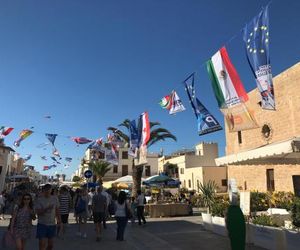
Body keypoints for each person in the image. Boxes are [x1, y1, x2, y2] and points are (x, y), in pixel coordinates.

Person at [35, 184, 61, 250]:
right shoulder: (39, 200)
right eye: (46, 190)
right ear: (43, 190)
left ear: (51, 190)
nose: (48, 191)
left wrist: (59, 221)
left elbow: (57, 210)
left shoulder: (55, 198)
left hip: (52, 224)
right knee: (42, 243)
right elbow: (38, 212)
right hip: (42, 224)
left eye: (49, 190)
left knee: (50, 245)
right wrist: (47, 208)